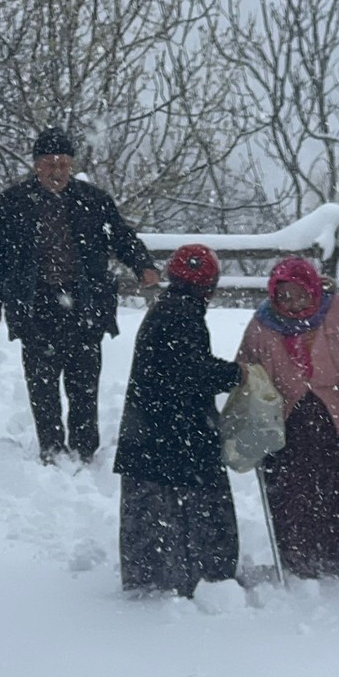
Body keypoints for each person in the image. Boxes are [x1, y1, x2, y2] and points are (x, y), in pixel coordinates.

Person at [0, 126, 160, 465]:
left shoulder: (93, 201)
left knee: (84, 384)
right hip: (34, 305)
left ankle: (84, 449)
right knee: (42, 385)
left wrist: (143, 265)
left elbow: (122, 238)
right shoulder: (13, 203)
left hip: (84, 305)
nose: (57, 171)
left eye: (63, 164)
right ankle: (51, 447)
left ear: (72, 166)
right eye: (50, 164)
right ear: (37, 166)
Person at [237, 257, 339, 580]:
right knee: (298, 490)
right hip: (290, 420)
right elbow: (244, 365)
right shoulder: (262, 324)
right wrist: (248, 408)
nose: (292, 303)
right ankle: (306, 558)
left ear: (313, 289)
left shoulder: (338, 309)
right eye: (283, 296)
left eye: (299, 294)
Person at [113, 244, 246, 598]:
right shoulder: (183, 314)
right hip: (177, 431)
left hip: (150, 429)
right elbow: (189, 371)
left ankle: (155, 572)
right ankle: (201, 575)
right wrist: (236, 374)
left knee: (154, 509)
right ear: (211, 286)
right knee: (197, 506)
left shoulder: (168, 308)